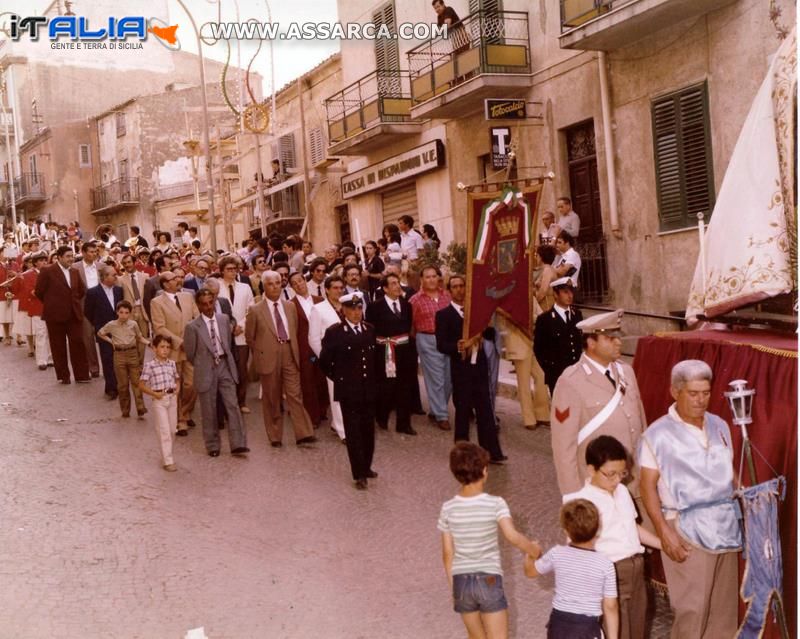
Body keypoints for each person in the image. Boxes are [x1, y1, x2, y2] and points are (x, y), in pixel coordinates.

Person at [638, 360, 741, 639]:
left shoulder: (719, 425)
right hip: (686, 529)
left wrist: (745, 492)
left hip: (726, 528)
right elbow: (647, 487)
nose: (701, 400)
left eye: (706, 393)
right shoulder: (657, 435)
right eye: (693, 394)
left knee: (723, 613)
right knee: (692, 613)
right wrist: (664, 532)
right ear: (675, 391)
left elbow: (728, 470)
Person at [438, 442, 540, 639]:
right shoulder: (495, 504)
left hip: (461, 581)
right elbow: (511, 535)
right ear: (485, 471)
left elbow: (447, 554)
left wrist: (454, 588)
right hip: (489, 579)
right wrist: (533, 550)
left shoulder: (448, 508)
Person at [564, 436, 662, 639]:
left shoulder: (622, 491)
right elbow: (575, 550)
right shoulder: (582, 503)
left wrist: (663, 544)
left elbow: (632, 528)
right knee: (616, 632)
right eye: (611, 474)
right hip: (609, 573)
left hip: (636, 570)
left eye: (622, 473)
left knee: (637, 630)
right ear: (591, 470)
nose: (617, 480)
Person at [550, 309, 647, 498]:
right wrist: (573, 498)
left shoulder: (627, 372)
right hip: (598, 490)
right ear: (591, 342)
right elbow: (563, 448)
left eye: (618, 336)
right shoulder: (570, 381)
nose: (618, 342)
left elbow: (641, 425)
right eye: (610, 338)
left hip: (634, 483)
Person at [524, 499, 619, 639]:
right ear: (598, 528)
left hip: (559, 624)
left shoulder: (557, 553)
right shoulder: (605, 564)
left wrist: (530, 556)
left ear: (566, 531)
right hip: (587, 626)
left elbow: (530, 572)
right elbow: (610, 606)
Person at [436, 275, 505, 463]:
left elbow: (490, 334)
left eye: (462, 286)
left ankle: (491, 451)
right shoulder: (444, 315)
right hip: (461, 370)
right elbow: (441, 344)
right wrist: (457, 346)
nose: (459, 289)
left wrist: (486, 328)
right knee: (463, 410)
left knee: (485, 410)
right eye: (455, 287)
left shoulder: (477, 312)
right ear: (449, 291)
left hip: (480, 367)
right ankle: (462, 453)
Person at [245, 271, 316, 447]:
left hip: (289, 352)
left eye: (278, 283)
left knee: (295, 394)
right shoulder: (255, 310)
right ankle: (275, 435)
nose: (276, 287)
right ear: (264, 286)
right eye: (271, 284)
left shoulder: (290, 306)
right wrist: (262, 353)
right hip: (268, 356)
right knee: (272, 398)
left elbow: (295, 328)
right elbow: (250, 337)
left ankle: (304, 433)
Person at [318, 292, 378, 489]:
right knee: (353, 432)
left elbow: (372, 360)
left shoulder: (369, 329)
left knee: (368, 430)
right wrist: (340, 378)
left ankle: (367, 466)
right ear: (343, 311)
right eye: (352, 309)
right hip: (348, 390)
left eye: (359, 308)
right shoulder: (335, 332)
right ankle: (359, 473)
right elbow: (325, 362)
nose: (356, 312)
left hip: (368, 388)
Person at [183, 288, 249, 458]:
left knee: (232, 405)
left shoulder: (223, 319)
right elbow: (190, 354)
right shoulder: (192, 327)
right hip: (206, 369)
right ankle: (212, 445)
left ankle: (238, 444)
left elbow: (228, 343)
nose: (208, 307)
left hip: (224, 367)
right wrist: (204, 364)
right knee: (209, 409)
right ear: (198, 305)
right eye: (204, 304)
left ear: (214, 302)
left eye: (210, 303)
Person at [366, 273, 417, 435]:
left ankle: (404, 424)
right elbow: (371, 330)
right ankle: (381, 416)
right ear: (385, 288)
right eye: (393, 284)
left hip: (404, 351)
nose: (397, 287)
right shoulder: (375, 307)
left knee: (405, 386)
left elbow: (408, 326)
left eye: (398, 283)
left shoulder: (407, 305)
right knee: (385, 387)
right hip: (384, 351)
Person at [149, 271, 199, 436]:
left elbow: (196, 318)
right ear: (165, 284)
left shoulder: (187, 297)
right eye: (174, 279)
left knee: (191, 384)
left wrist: (191, 340)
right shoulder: (157, 302)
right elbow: (159, 327)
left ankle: (185, 411)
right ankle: (180, 419)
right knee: (175, 385)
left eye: (179, 277)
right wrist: (179, 342)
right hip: (172, 350)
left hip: (190, 347)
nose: (179, 280)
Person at [33, 245, 90, 384]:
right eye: (68, 256)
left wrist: (73, 302)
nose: (71, 259)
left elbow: (81, 291)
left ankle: (81, 375)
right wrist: (52, 304)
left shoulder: (75, 272)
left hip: (74, 314)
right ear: (59, 257)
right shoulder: (47, 271)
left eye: (72, 256)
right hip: (54, 315)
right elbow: (39, 292)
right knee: (58, 346)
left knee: (77, 343)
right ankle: (63, 376)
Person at [409, 265, 452, 431]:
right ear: (422, 280)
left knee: (449, 378)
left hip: (448, 340)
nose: (432, 280)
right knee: (436, 379)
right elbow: (410, 324)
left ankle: (435, 409)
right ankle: (442, 415)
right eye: (428, 277)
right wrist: (421, 339)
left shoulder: (447, 296)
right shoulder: (415, 300)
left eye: (434, 276)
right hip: (427, 339)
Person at [308, 275, 347, 443]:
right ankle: (342, 430)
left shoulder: (348, 305)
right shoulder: (319, 309)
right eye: (335, 288)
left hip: (351, 356)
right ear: (327, 290)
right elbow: (313, 338)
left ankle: (336, 423)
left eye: (341, 287)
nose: (338, 291)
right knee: (336, 393)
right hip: (332, 359)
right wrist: (325, 359)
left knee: (348, 393)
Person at [497, 312, 550, 431]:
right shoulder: (508, 297)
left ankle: (542, 414)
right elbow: (503, 322)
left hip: (533, 343)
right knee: (523, 383)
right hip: (518, 343)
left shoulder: (531, 296)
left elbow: (540, 313)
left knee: (542, 377)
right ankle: (529, 419)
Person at [97, 300, 150, 418]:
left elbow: (139, 337)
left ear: (130, 314)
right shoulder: (111, 325)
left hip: (132, 353)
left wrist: (149, 343)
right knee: (122, 385)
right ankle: (125, 410)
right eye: (121, 312)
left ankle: (140, 407)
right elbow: (100, 333)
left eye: (126, 313)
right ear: (117, 312)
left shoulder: (133, 324)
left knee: (136, 382)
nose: (124, 315)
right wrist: (111, 341)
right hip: (119, 355)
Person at [215, 256, 255, 413]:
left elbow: (250, 309)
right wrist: (229, 327)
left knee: (241, 369)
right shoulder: (216, 287)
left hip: (241, 333)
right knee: (225, 369)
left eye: (235, 269)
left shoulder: (245, 287)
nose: (232, 272)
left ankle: (241, 401)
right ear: (222, 271)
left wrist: (241, 325)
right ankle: (227, 403)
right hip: (223, 334)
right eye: (229, 270)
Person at [289, 272, 327, 427]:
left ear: (305, 281)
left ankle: (323, 409)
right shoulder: (291, 305)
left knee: (322, 378)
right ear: (292, 287)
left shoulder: (320, 301)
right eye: (294, 283)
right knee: (308, 381)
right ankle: (312, 416)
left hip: (322, 346)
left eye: (300, 281)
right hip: (305, 349)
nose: (299, 284)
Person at [533, 277, 582, 394]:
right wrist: (550, 369)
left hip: (577, 374)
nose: (570, 295)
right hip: (557, 375)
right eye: (565, 292)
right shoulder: (545, 319)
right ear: (555, 294)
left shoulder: (577, 315)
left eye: (571, 292)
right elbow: (539, 349)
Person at [138, 335, 181, 472]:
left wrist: (177, 389)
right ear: (154, 348)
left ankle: (166, 453)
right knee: (164, 430)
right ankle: (168, 460)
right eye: (162, 347)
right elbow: (141, 385)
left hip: (171, 398)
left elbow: (177, 378)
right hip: (159, 399)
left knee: (173, 429)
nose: (165, 350)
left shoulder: (172, 364)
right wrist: (154, 394)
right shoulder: (149, 366)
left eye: (168, 347)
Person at [84, 264, 124, 399]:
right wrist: (98, 325)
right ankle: (111, 388)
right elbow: (88, 312)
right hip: (103, 331)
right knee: (107, 359)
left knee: (119, 359)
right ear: (105, 277)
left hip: (119, 330)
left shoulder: (119, 290)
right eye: (113, 275)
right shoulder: (93, 292)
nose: (116, 277)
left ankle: (121, 385)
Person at [72, 241, 101, 378]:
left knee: (105, 337)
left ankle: (110, 365)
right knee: (88, 338)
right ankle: (93, 367)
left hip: (101, 305)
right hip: (84, 306)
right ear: (83, 253)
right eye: (91, 252)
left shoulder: (102, 267)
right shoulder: (75, 268)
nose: (94, 254)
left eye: (95, 252)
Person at [19, 251, 52, 370]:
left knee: (49, 333)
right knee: (41, 333)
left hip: (50, 307)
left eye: (45, 260)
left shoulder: (50, 272)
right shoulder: (28, 275)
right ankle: (41, 360)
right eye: (41, 260)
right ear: (35, 263)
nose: (44, 262)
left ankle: (49, 357)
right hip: (38, 307)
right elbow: (31, 292)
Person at [118, 253, 150, 364]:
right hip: (128, 313)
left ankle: (139, 365)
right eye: (125, 263)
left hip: (142, 311)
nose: (127, 265)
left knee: (143, 340)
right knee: (130, 341)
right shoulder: (120, 280)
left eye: (129, 262)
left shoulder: (145, 277)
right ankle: (133, 366)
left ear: (134, 262)